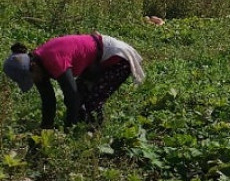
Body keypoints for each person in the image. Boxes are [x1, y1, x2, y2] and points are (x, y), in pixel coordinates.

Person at [4, 33, 145, 129]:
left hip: (116, 58)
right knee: (79, 102)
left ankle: (94, 134)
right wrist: (45, 129)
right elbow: (49, 101)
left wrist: (67, 131)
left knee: (90, 103)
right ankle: (84, 127)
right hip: (93, 65)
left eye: (30, 79)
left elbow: (73, 98)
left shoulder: (53, 60)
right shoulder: (36, 66)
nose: (35, 82)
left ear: (32, 67)